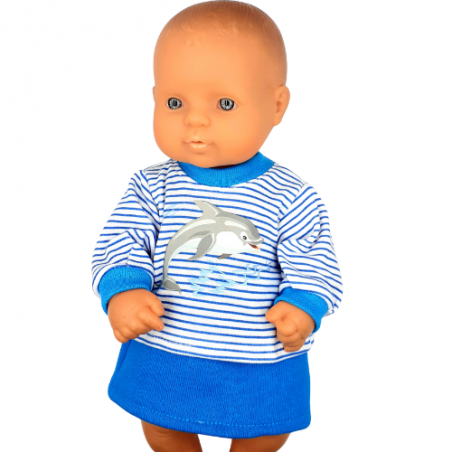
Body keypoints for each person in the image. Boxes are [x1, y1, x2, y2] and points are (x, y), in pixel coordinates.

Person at [91, 2, 343, 451]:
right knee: (161, 426)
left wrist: (304, 305)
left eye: (225, 103)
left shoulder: (293, 196)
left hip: (257, 359)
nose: (195, 119)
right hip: (166, 351)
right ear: (154, 98)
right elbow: (121, 240)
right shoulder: (151, 186)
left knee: (268, 431)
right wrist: (123, 288)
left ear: (277, 105)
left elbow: (315, 263)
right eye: (174, 103)